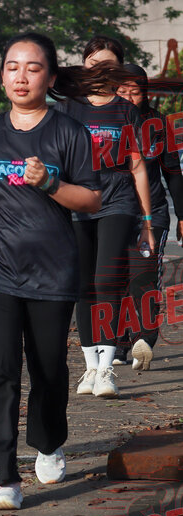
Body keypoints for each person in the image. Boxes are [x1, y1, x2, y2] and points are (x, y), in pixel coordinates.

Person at [0, 32, 102, 511]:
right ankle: (4, 476)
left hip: (52, 269)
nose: (21, 77)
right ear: (2, 77)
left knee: (48, 368)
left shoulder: (69, 133)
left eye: (33, 67)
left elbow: (92, 199)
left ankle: (47, 441)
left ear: (50, 77)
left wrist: (51, 183)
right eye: (12, 67)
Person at [53, 37, 155, 399]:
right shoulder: (68, 108)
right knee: (84, 286)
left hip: (118, 202)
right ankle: (90, 367)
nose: (100, 71)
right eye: (94, 64)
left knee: (107, 282)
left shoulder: (126, 110)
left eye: (108, 65)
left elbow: (138, 167)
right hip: (78, 204)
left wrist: (147, 222)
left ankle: (108, 368)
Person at [113, 64, 183, 368]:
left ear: (146, 93)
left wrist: (182, 215)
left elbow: (174, 173)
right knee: (116, 279)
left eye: (135, 92)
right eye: (122, 91)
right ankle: (118, 344)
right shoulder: (103, 123)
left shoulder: (159, 124)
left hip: (152, 214)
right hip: (113, 213)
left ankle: (144, 337)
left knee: (143, 276)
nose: (128, 98)